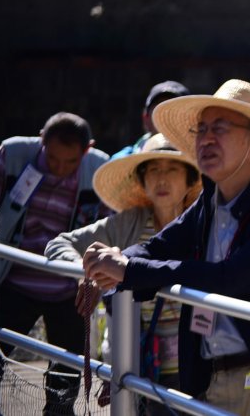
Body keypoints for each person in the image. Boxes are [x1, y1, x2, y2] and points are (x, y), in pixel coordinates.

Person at [81, 79, 250, 415]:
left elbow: (229, 278)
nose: (206, 138)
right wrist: (117, 259)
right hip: (210, 377)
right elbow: (159, 247)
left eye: (221, 128)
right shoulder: (211, 200)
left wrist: (127, 270)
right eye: (202, 128)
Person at [46, 134, 200, 411]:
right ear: (142, 181)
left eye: (172, 169)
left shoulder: (202, 223)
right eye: (154, 170)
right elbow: (60, 243)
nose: (162, 179)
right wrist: (87, 274)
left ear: (190, 180)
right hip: (139, 358)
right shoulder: (129, 223)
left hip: (194, 362)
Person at [0, 113, 109, 415]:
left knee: (66, 373)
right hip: (13, 278)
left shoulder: (101, 171)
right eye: (52, 159)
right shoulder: (12, 154)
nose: (59, 169)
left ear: (87, 150)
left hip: (69, 287)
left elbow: (112, 229)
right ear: (41, 138)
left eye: (70, 163)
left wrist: (95, 277)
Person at [112, 81, 191, 159]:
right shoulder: (119, 161)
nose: (166, 120)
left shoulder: (202, 163)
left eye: (174, 112)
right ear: (145, 118)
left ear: (190, 120)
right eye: (159, 112)